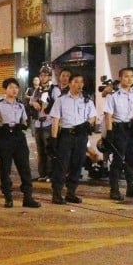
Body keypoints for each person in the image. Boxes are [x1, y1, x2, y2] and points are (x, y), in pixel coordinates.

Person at [0, 78, 40, 208]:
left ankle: (28, 197)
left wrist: (23, 126)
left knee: (24, 167)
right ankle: (8, 197)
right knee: (5, 168)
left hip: (18, 137)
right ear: (5, 89)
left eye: (16, 87)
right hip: (5, 137)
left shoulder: (20, 105)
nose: (14, 90)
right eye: (11, 87)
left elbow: (25, 121)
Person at [48, 74, 97, 204]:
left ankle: (71, 192)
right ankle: (57, 193)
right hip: (66, 135)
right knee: (62, 165)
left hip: (81, 136)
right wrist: (53, 138)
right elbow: (55, 119)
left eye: (81, 82)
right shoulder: (61, 100)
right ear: (70, 84)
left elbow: (92, 117)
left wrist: (87, 123)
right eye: (76, 82)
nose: (79, 85)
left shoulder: (87, 100)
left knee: (77, 164)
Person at [102, 67, 133, 202]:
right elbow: (108, 114)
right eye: (126, 76)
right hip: (119, 128)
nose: (129, 79)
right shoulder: (113, 95)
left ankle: (131, 187)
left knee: (132, 159)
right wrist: (109, 132)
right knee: (118, 159)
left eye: (132, 77)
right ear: (120, 78)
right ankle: (114, 189)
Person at [28, 65, 63, 182]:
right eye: (41, 75)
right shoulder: (38, 90)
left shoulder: (54, 89)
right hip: (38, 123)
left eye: (45, 75)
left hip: (49, 123)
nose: (43, 77)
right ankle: (42, 173)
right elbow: (31, 100)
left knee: (50, 151)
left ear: (49, 76)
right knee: (40, 150)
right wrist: (34, 104)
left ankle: (51, 174)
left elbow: (58, 105)